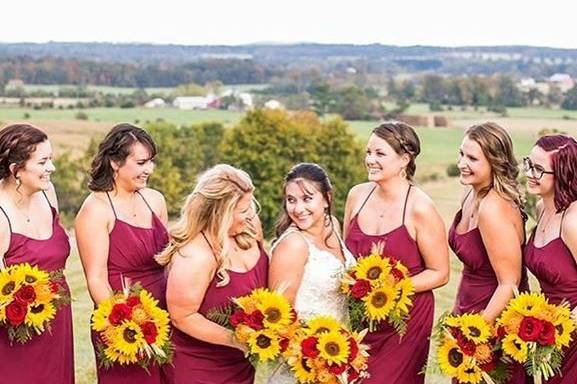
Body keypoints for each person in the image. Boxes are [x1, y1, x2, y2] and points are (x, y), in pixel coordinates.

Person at [343, 121, 449, 384]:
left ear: (404, 159)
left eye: (380, 154)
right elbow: (345, 257)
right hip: (362, 320)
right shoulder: (356, 196)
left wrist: (389, 289)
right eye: (368, 152)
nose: (370, 160)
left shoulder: (420, 207)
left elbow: (441, 273)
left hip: (406, 323)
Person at [75, 123, 170, 383]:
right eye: (141, 162)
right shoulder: (96, 209)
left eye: (151, 162)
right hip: (121, 322)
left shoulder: (155, 199)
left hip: (163, 316)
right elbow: (95, 278)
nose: (149, 169)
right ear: (115, 163)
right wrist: (126, 327)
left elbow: (168, 260)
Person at [158, 164, 267, 384]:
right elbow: (182, 317)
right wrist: (238, 340)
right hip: (200, 370)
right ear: (222, 212)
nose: (251, 215)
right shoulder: (195, 254)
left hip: (240, 366)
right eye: (244, 210)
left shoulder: (250, 228)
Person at [449, 122, 528, 382]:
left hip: (493, 323)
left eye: (472, 158)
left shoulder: (493, 208)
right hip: (467, 315)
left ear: (494, 162)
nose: (462, 163)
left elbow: (509, 283)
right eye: (461, 154)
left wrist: (477, 332)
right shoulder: (471, 195)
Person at [267, 163, 356, 383]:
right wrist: (315, 357)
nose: (298, 209)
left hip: (337, 357)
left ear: (327, 199)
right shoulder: (293, 245)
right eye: (291, 200)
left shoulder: (332, 225)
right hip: (303, 365)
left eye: (307, 198)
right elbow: (279, 319)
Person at [0, 124, 74, 383]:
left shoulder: (48, 194)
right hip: (16, 332)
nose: (51, 168)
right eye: (43, 161)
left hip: (58, 318)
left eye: (50, 159)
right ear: (15, 170)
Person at [524, 134, 577, 383]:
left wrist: (560, 329)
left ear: (563, 174)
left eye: (539, 169)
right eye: (529, 164)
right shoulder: (542, 208)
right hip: (549, 335)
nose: (530, 173)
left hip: (570, 333)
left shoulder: (573, 222)